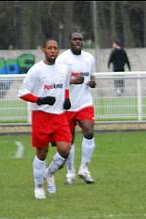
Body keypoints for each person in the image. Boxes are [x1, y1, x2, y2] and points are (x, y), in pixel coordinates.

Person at [18, 38, 72, 199]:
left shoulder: (64, 69)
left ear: (59, 50)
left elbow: (66, 85)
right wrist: (40, 100)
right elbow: (22, 93)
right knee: (42, 153)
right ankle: (39, 186)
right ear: (43, 50)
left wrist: (67, 98)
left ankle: (49, 173)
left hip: (59, 116)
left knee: (65, 150)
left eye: (55, 48)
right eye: (50, 48)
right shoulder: (36, 70)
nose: (53, 51)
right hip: (41, 116)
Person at [56, 32, 97, 184]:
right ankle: (70, 172)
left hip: (85, 102)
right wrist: (72, 81)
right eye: (75, 39)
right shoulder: (63, 59)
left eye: (80, 39)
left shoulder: (89, 58)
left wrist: (91, 82)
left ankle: (84, 169)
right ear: (70, 41)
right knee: (69, 140)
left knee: (89, 131)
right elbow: (58, 80)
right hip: (67, 104)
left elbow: (91, 76)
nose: (78, 41)